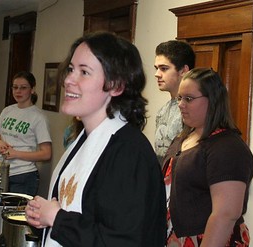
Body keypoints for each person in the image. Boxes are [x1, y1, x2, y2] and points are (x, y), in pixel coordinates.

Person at [25, 31, 166, 247]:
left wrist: (57, 219)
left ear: (116, 86)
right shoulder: (84, 139)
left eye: (84, 72)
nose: (68, 79)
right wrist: (42, 215)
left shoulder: (129, 152)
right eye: (71, 69)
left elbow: (124, 242)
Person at [162, 68, 253, 246]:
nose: (181, 104)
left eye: (188, 99)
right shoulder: (182, 139)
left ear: (212, 101)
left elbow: (225, 215)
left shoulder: (227, 148)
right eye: (179, 98)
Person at [0, 71, 52, 196]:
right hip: (2, 172)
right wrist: (0, 143)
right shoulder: (7, 110)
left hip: (24, 176)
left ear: (32, 89)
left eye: (23, 88)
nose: (18, 91)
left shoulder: (38, 117)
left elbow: (46, 154)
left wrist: (16, 154)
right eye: (15, 87)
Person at [154, 40, 195, 166]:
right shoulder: (162, 111)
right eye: (156, 68)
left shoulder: (193, 110)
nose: (157, 74)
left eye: (164, 69)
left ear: (183, 70)